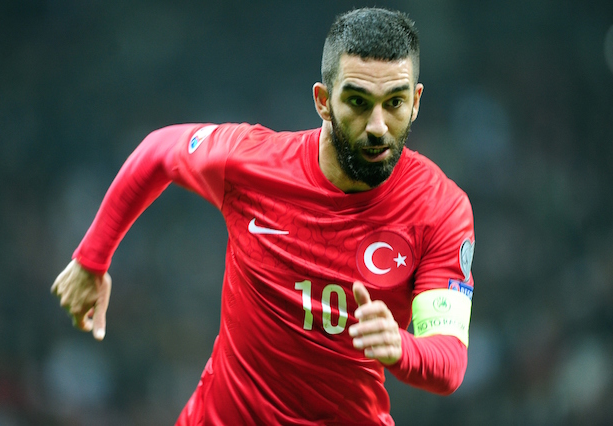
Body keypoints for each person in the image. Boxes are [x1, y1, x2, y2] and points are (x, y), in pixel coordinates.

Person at [51, 7, 476, 425]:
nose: (378, 126)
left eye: (395, 102)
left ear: (415, 102)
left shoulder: (439, 209)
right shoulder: (252, 163)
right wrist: (91, 260)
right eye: (358, 102)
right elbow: (158, 151)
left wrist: (401, 347)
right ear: (323, 101)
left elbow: (450, 361)